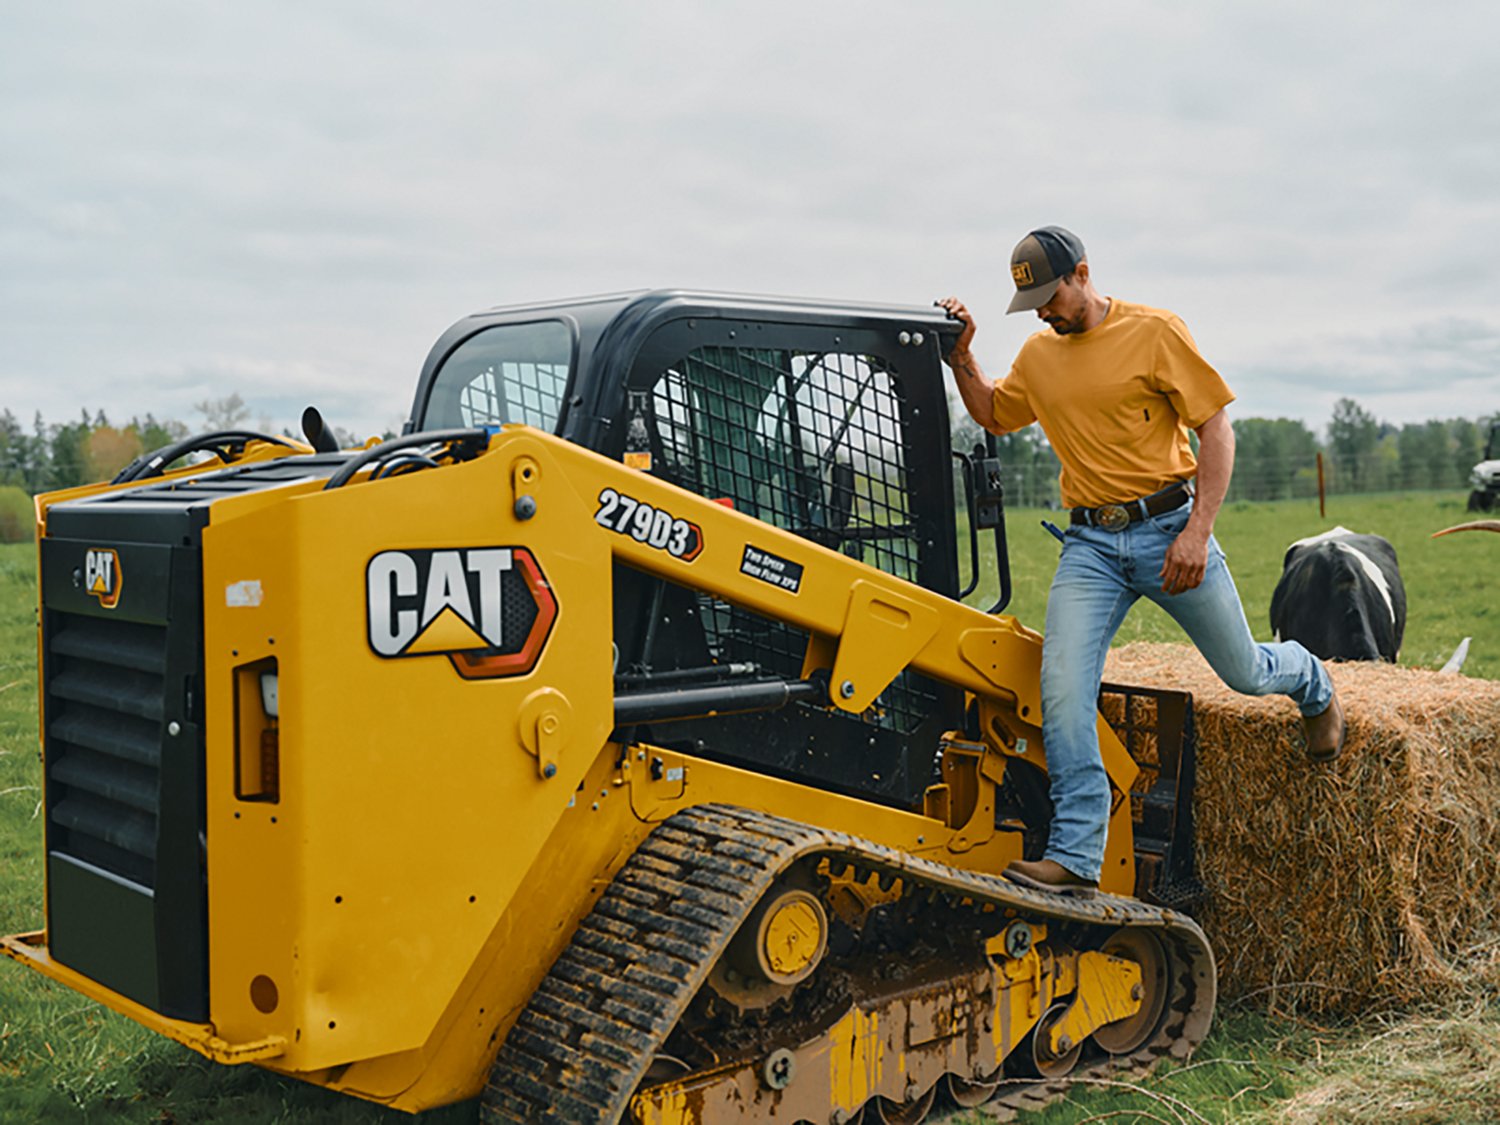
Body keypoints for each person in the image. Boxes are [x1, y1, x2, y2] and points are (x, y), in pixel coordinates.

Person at [939, 225, 1344, 896]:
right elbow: (992, 412)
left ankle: (1313, 682)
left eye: (1050, 295)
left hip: (1170, 531)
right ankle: (1074, 854)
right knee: (1063, 688)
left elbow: (1215, 426)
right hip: (1090, 546)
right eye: (1032, 302)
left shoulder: (1154, 331)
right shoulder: (1039, 357)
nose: (1042, 311)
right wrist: (962, 357)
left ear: (1083, 273)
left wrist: (1197, 530)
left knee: (1244, 671)